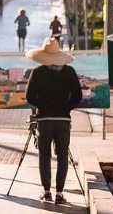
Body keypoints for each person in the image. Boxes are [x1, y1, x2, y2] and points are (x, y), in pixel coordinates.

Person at [25, 38, 82, 204]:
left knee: (45, 155)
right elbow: (77, 96)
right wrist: (66, 108)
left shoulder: (38, 72)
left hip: (44, 119)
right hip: (63, 119)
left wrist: (43, 105)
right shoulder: (69, 72)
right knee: (63, 155)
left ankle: (46, 191)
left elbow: (29, 96)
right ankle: (60, 193)